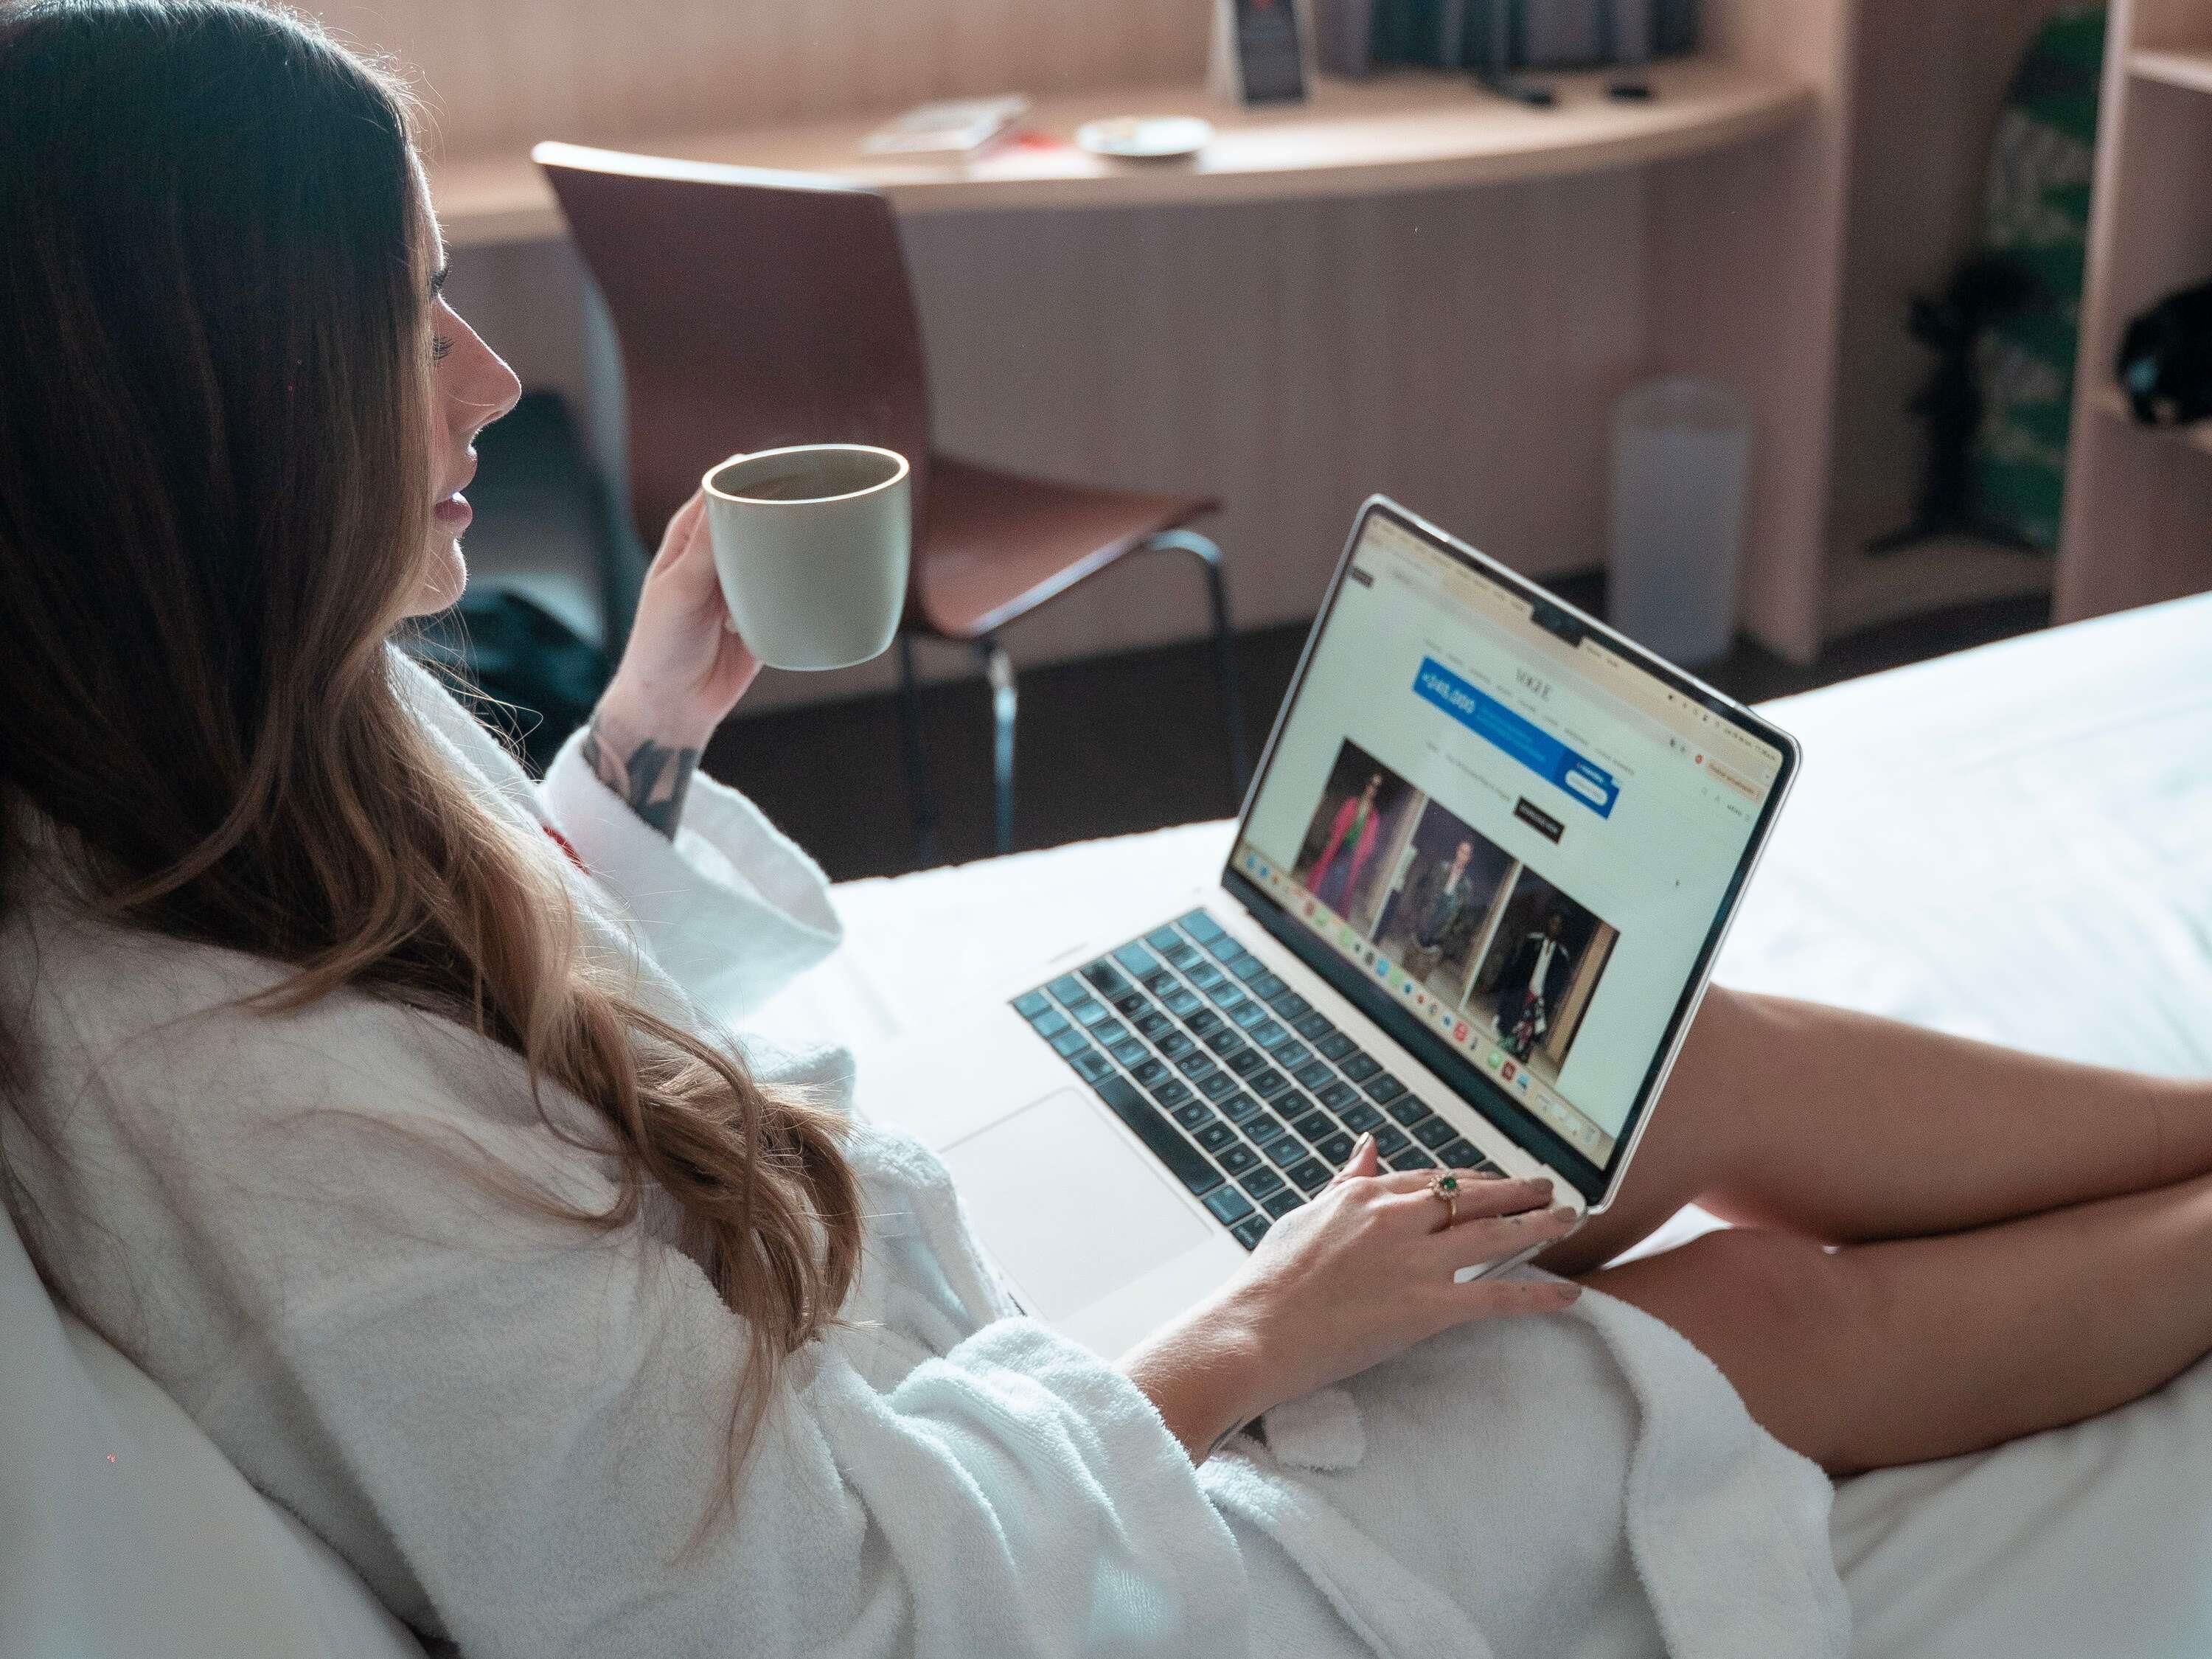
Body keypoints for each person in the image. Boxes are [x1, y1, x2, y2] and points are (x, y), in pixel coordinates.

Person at [12, 7, 2212, 1655]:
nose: (493, 382)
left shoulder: (231, 762)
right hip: (1076, 1557)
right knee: (1724, 1323)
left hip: (922, 1344)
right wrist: (1256, 1335)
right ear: (209, 424)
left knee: (1657, 1052)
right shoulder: (228, 1097)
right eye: (412, 321)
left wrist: (648, 742)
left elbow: (495, 1014)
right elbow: (788, 1622)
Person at [1496, 908, 1575, 1060]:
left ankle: (1519, 1055)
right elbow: (1518, 967)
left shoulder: (1561, 955)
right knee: (1513, 1023)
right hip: (1524, 991)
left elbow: (1557, 984)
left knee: (1529, 1031)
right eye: (1553, 923)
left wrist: (1547, 1000)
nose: (1555, 927)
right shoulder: (1533, 941)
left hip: (1539, 999)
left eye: (1559, 925)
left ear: (1561, 930)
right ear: (1548, 923)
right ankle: (1504, 1051)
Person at [1307, 770, 1385, 917]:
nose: (1372, 788)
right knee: (1324, 879)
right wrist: (1331, 840)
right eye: (1371, 784)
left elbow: (1370, 844)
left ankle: (1324, 914)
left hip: (1352, 855)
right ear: (1366, 784)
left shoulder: (1374, 817)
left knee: (1338, 885)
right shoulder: (1352, 803)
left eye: (1376, 787)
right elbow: (1336, 824)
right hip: (1338, 848)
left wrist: (1362, 857)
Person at [1402, 837, 1480, 980]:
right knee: (1403, 970)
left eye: (1466, 853)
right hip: (1421, 926)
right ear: (1457, 851)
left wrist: (1447, 937)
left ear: (1469, 858)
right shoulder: (1441, 868)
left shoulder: (1466, 887)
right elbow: (1422, 890)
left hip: (1438, 938)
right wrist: (1415, 917)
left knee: (1419, 979)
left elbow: (1463, 917)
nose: (1462, 855)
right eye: (1461, 851)